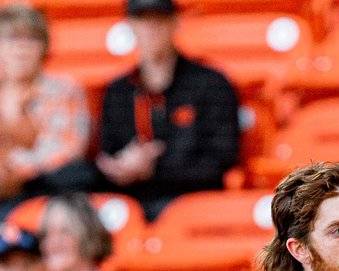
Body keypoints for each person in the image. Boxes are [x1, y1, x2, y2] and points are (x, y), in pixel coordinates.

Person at [44, 0, 240, 220]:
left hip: (192, 202)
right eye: (143, 20)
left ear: (174, 22)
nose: (151, 28)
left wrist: (155, 169)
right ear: (131, 26)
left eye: (159, 19)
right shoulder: (119, 90)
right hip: (128, 201)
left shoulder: (211, 84)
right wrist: (121, 166)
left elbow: (222, 159)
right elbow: (107, 154)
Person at [0, 5, 89, 218]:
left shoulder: (64, 91)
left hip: (44, 192)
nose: (21, 48)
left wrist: (14, 167)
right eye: (12, 39)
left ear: (44, 47)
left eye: (30, 39)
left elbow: (66, 149)